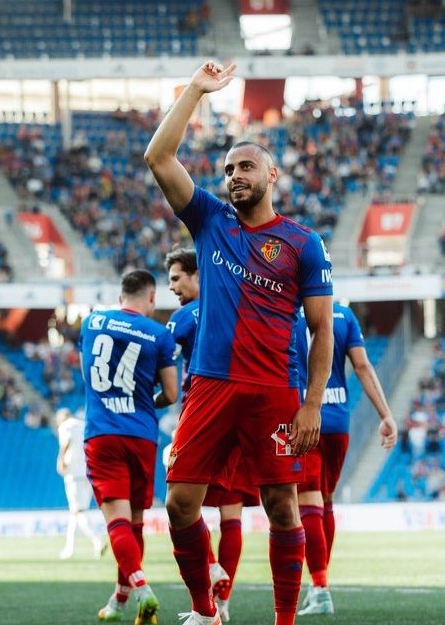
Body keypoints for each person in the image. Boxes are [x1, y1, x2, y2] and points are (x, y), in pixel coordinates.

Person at [145, 60, 335, 625]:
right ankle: (206, 611)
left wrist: (312, 403)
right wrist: (195, 92)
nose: (235, 175)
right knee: (180, 504)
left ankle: (284, 620)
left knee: (281, 506)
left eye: (246, 166)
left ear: (271, 175)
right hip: (209, 385)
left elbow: (322, 329)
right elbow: (158, 157)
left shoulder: (303, 243)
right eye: (229, 168)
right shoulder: (210, 221)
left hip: (274, 390)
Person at [80, 269, 178, 624]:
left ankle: (141, 589)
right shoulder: (159, 334)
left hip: (103, 431)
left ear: (120, 295)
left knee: (117, 522)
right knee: (135, 523)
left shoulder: (92, 322)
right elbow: (171, 393)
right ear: (151, 297)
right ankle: (120, 600)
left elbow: (89, 375)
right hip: (141, 435)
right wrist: (143, 401)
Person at [165, 246, 255, 622]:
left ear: (198, 274)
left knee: (184, 504)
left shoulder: (184, 317)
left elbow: (162, 362)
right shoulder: (240, 307)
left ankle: (210, 572)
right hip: (242, 417)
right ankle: (223, 600)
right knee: (231, 512)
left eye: (176, 278)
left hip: (201, 419)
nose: (172, 287)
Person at [294, 303, 398, 616]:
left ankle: (320, 588)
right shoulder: (343, 315)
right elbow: (363, 366)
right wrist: (386, 415)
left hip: (302, 417)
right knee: (325, 501)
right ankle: (319, 584)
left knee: (307, 501)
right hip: (339, 421)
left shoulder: (286, 312)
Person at [55, 408, 105, 560]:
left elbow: (66, 442)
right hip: (88, 471)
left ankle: (98, 541)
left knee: (79, 511)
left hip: (73, 473)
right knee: (75, 512)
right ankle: (69, 549)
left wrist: (60, 460)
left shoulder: (66, 426)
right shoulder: (83, 424)